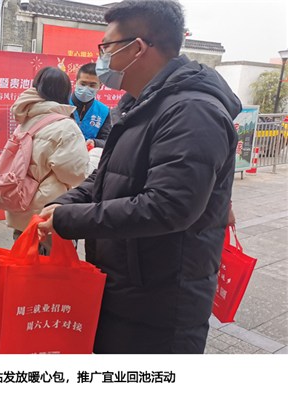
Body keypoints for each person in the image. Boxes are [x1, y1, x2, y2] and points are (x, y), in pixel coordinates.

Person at [37, 0, 241, 353]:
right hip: (126, 287)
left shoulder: (192, 111)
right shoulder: (140, 104)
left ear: (137, 48)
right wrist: (62, 205)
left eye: (106, 47)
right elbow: (107, 177)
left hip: (160, 305)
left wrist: (70, 220)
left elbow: (168, 206)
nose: (102, 59)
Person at [7, 66, 90, 255]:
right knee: (51, 266)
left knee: (23, 259)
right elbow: (75, 174)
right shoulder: (65, 126)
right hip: (48, 212)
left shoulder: (25, 121)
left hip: (20, 205)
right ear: (66, 92)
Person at [70, 62, 112, 149]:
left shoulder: (103, 111)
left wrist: (95, 143)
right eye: (83, 84)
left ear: (100, 86)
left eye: (92, 85)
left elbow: (107, 141)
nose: (86, 88)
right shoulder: (62, 103)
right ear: (76, 82)